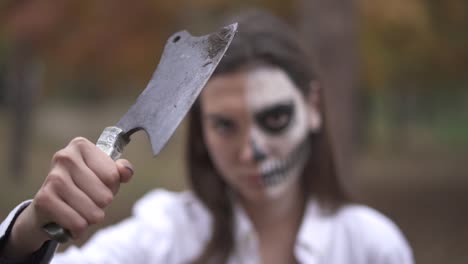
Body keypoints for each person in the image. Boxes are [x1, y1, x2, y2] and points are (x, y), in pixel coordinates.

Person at [0, 10, 413, 264]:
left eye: (274, 118)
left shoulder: (371, 248)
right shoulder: (162, 238)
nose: (252, 150)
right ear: (201, 131)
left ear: (314, 108)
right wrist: (28, 232)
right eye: (225, 125)